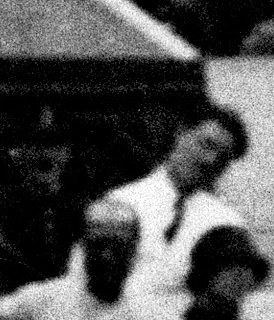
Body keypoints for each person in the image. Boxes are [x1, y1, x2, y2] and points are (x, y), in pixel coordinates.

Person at [8, 201, 200, 320]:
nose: (107, 256)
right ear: (83, 248)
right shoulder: (38, 302)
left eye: (118, 247)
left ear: (134, 252)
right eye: (98, 245)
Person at [97, 110, 253, 300]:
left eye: (223, 158)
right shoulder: (120, 203)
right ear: (181, 133)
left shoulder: (226, 224)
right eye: (206, 144)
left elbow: (226, 299)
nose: (209, 160)